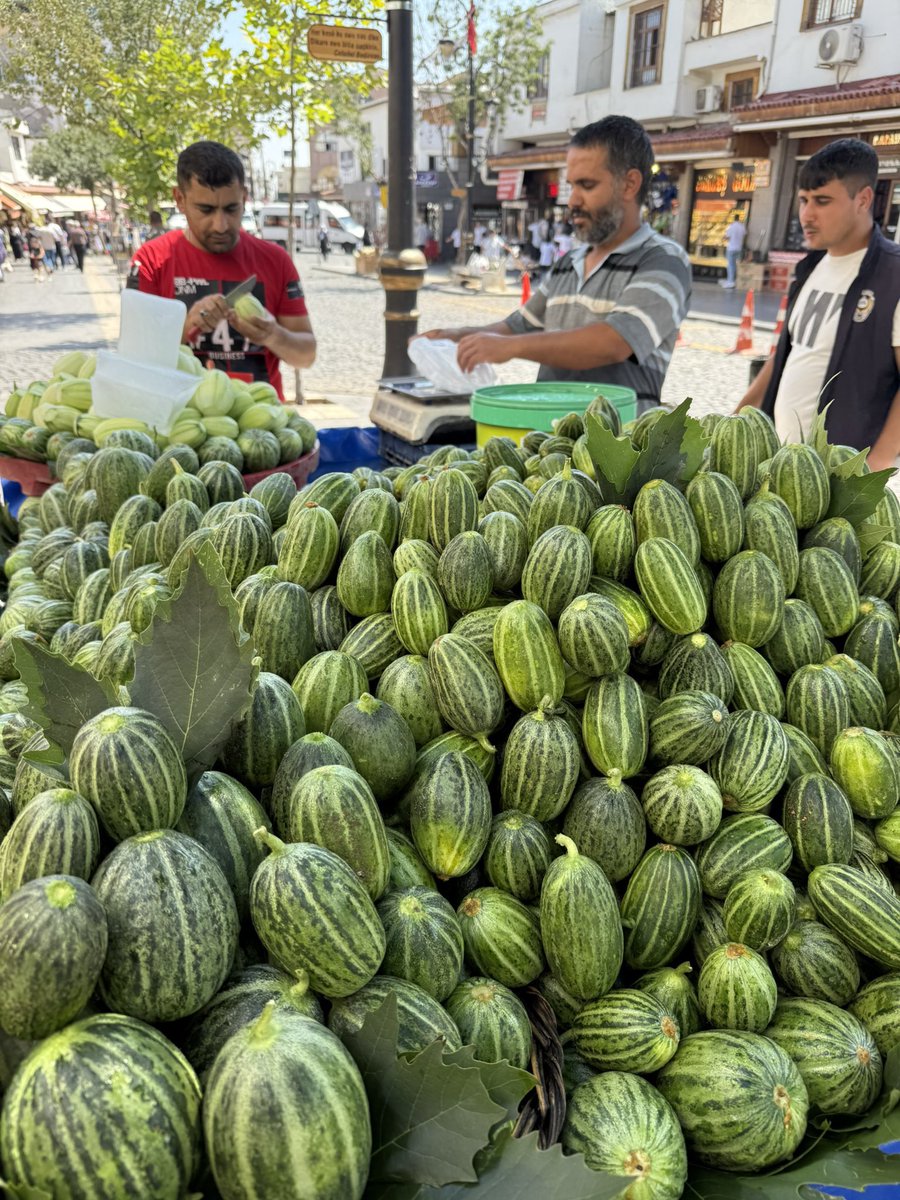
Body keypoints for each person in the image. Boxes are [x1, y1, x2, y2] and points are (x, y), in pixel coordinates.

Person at [415, 115, 691, 410]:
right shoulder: (568, 263)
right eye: (571, 186)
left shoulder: (663, 260)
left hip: (621, 437)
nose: (573, 201)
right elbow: (519, 326)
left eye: (587, 185)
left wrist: (509, 348)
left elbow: (613, 342)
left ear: (629, 184)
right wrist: (457, 337)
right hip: (549, 432)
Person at [737, 138, 900, 470]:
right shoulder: (810, 267)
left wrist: (873, 468)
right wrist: (738, 414)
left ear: (863, 199)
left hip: (840, 477)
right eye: (803, 200)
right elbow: (787, 355)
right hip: (782, 466)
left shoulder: (892, 275)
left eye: (822, 201)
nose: (807, 215)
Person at [128, 140, 315, 400]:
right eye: (205, 210)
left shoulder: (276, 260)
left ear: (244, 197)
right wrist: (187, 325)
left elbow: (306, 355)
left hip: (260, 419)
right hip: (182, 420)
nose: (220, 225)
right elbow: (134, 359)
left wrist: (273, 334)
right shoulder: (151, 261)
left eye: (231, 208)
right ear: (179, 199)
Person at [721, 211, 746, 289]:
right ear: (739, 219)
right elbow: (745, 235)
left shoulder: (731, 226)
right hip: (739, 248)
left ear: (734, 219)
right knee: (735, 265)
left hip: (731, 248)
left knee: (730, 265)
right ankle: (734, 280)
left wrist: (723, 238)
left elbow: (727, 236)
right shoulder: (742, 226)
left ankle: (730, 281)